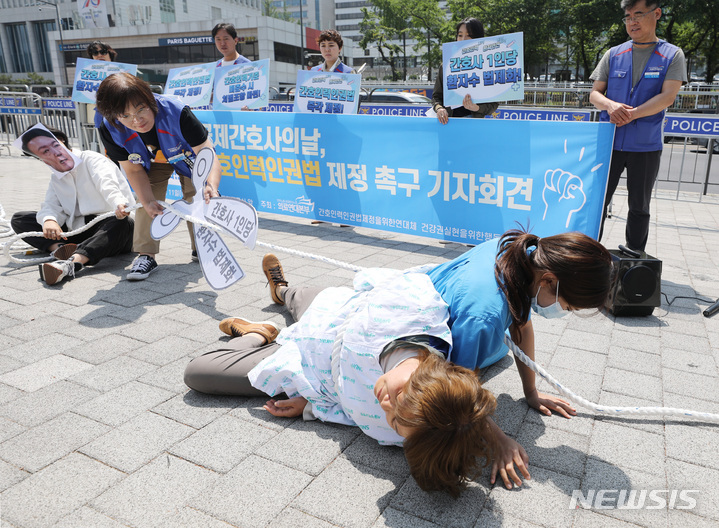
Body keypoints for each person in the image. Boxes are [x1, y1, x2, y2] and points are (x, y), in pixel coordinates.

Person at [184, 254, 498, 496]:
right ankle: (280, 290)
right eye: (400, 398)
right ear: (430, 379)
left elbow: (353, 413)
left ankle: (259, 333)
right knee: (297, 295)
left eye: (392, 420)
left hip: (304, 363)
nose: (385, 404)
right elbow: (393, 280)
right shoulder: (420, 312)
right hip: (331, 311)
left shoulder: (401, 433)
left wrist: (310, 405)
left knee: (199, 372)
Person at [427, 228, 613, 488]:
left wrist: (531, 391)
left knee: (497, 346)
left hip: (459, 302)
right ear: (548, 280)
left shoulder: (524, 256)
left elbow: (521, 325)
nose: (565, 312)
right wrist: (498, 441)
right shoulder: (484, 316)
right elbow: (457, 390)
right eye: (568, 307)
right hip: (426, 327)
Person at [95, 72, 222, 280]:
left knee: (198, 193)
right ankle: (146, 254)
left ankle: (202, 245)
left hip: (187, 156)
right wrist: (147, 201)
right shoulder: (110, 128)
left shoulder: (176, 112)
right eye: (125, 116)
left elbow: (207, 152)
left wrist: (211, 185)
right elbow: (133, 170)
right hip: (149, 161)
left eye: (140, 109)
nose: (136, 120)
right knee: (146, 198)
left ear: (149, 98)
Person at [589, 0, 686, 252]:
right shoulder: (613, 53)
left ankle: (634, 258)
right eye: (628, 16)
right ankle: (586, 254)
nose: (632, 21)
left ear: (656, 14)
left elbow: (667, 97)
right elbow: (594, 94)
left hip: (645, 145)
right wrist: (610, 106)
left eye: (638, 14)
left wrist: (632, 115)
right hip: (609, 143)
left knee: (639, 205)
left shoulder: (672, 55)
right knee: (596, 202)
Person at [11, 125, 134, 286]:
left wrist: (118, 203)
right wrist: (50, 220)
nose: (54, 153)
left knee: (123, 222)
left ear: (61, 140)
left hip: (108, 228)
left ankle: (71, 263)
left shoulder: (91, 158)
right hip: (76, 230)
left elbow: (108, 184)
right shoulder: (57, 176)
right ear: (40, 158)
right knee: (20, 219)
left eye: (54, 145)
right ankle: (60, 248)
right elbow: (50, 205)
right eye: (45, 151)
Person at [431, 18, 499, 125]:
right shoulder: (447, 65)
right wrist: (439, 109)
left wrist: (476, 107)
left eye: (469, 35)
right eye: (460, 35)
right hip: (448, 123)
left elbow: (493, 104)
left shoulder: (488, 65)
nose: (463, 39)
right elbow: (436, 97)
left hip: (474, 124)